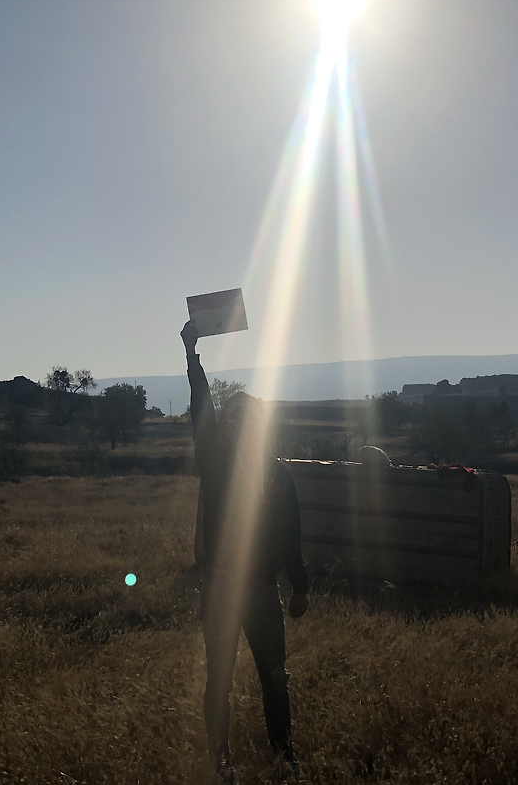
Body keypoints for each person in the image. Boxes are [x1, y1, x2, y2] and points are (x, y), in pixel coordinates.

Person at [183, 319, 309, 783]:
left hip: (262, 591)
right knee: (219, 679)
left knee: (275, 676)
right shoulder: (215, 463)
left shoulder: (278, 475)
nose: (239, 423)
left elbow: (291, 534)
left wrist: (300, 585)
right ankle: (221, 765)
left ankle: (284, 757)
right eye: (232, 417)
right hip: (219, 586)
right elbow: (202, 410)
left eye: (248, 417)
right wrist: (192, 356)